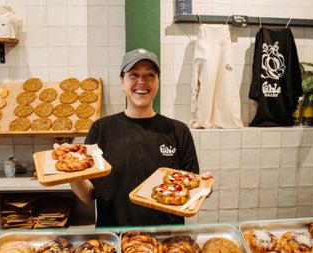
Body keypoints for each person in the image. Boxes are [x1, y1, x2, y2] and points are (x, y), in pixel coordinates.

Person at [70, 48, 212, 227]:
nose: (141, 82)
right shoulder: (101, 129)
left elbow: (189, 191)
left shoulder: (177, 131)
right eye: (133, 74)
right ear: (122, 81)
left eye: (150, 75)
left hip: (166, 240)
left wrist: (202, 190)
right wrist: (70, 175)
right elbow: (88, 195)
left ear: (158, 82)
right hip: (115, 238)